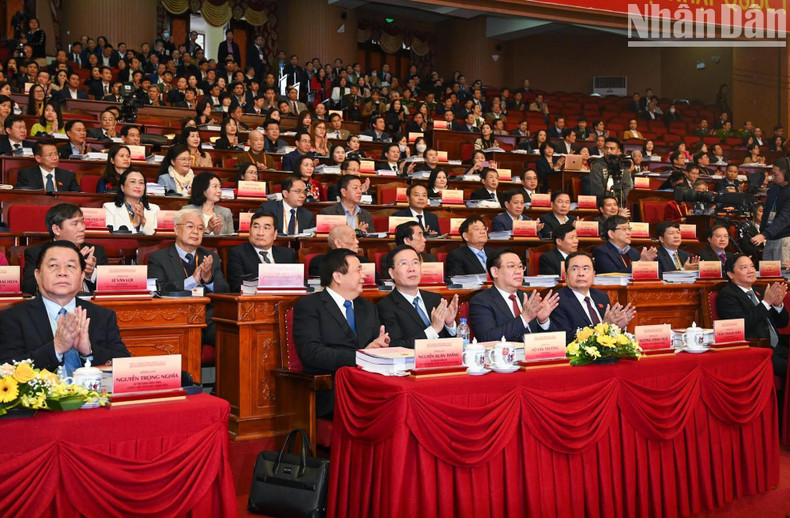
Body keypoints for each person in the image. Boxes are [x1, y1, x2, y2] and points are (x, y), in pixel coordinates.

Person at [0, 240, 129, 373]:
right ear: (37, 276)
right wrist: (56, 347)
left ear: (81, 277)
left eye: (70, 266)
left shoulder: (103, 316)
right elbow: (6, 370)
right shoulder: (12, 318)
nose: (62, 272)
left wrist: (88, 351)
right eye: (53, 265)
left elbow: (123, 364)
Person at [294, 248, 390, 416]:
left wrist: (380, 348)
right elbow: (311, 353)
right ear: (338, 276)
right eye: (358, 270)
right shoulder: (310, 306)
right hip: (333, 387)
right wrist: (361, 356)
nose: (363, 276)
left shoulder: (368, 308)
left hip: (371, 382)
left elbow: (374, 347)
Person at [146, 209, 229, 344]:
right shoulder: (159, 258)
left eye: (200, 228)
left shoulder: (210, 256)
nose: (196, 232)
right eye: (190, 226)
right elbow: (158, 290)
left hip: (208, 317)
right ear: (176, 229)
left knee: (230, 336)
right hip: (177, 316)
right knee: (190, 337)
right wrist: (192, 281)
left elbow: (224, 291)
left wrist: (208, 279)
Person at [718, 255, 790, 377]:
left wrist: (778, 305)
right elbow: (740, 326)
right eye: (744, 267)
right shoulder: (727, 295)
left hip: (776, 346)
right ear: (730, 274)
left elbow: (782, 323)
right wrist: (766, 303)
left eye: (752, 266)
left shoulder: (760, 292)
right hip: (755, 349)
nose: (751, 270)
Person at [468, 248, 559, 341]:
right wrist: (524, 318)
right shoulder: (481, 301)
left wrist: (543, 321)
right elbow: (487, 337)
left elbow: (550, 341)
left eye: (520, 266)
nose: (519, 271)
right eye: (511, 266)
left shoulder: (529, 297)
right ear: (495, 272)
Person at [377, 245, 459, 348]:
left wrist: (449, 324)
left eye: (415, 262)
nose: (411, 268)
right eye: (404, 263)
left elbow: (452, 343)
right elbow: (396, 346)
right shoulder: (386, 306)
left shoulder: (435, 299)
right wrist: (433, 329)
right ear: (391, 273)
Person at [21, 204, 108, 295]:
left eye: (82, 222)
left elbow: (109, 287)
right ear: (56, 229)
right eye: (75, 224)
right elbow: (28, 287)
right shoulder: (37, 253)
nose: (82, 228)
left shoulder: (96, 251)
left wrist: (91, 273)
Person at [553, 252, 637, 343]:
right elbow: (566, 338)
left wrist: (617, 327)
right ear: (566, 275)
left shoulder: (601, 296)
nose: (581, 273)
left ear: (593, 275)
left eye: (586, 269)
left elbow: (610, 331)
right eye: (575, 269)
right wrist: (603, 326)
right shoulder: (558, 300)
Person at [226, 210, 298, 292]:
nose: (260, 233)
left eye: (266, 228)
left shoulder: (287, 254)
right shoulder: (237, 253)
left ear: (275, 234)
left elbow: (299, 282)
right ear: (249, 231)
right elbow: (237, 286)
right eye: (256, 227)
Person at [751, 158, 790, 261]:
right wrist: (763, 232)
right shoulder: (774, 189)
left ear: (786, 174)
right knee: (767, 274)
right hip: (769, 237)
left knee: (782, 275)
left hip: (784, 239)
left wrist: (764, 234)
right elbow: (767, 211)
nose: (773, 177)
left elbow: (784, 218)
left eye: (776, 174)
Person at [592, 215, 658, 274]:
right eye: (624, 229)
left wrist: (648, 265)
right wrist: (640, 264)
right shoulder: (601, 251)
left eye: (629, 229)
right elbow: (611, 275)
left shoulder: (634, 252)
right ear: (611, 234)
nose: (628, 233)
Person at [103, 169, 159, 235]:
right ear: (122, 187)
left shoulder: (155, 209)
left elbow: (156, 237)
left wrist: (143, 220)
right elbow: (111, 235)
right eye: (133, 181)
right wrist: (134, 224)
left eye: (141, 182)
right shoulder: (109, 208)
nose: (138, 186)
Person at [15, 141, 80, 192]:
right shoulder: (26, 175)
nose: (55, 158)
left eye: (56, 154)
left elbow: (76, 197)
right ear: (38, 158)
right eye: (50, 155)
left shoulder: (68, 176)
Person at [589, 137, 632, 205]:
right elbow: (597, 188)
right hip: (602, 203)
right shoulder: (597, 165)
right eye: (606, 148)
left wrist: (619, 198)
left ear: (618, 150)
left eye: (612, 149)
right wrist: (611, 199)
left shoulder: (622, 165)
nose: (608, 151)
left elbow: (627, 186)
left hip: (619, 202)